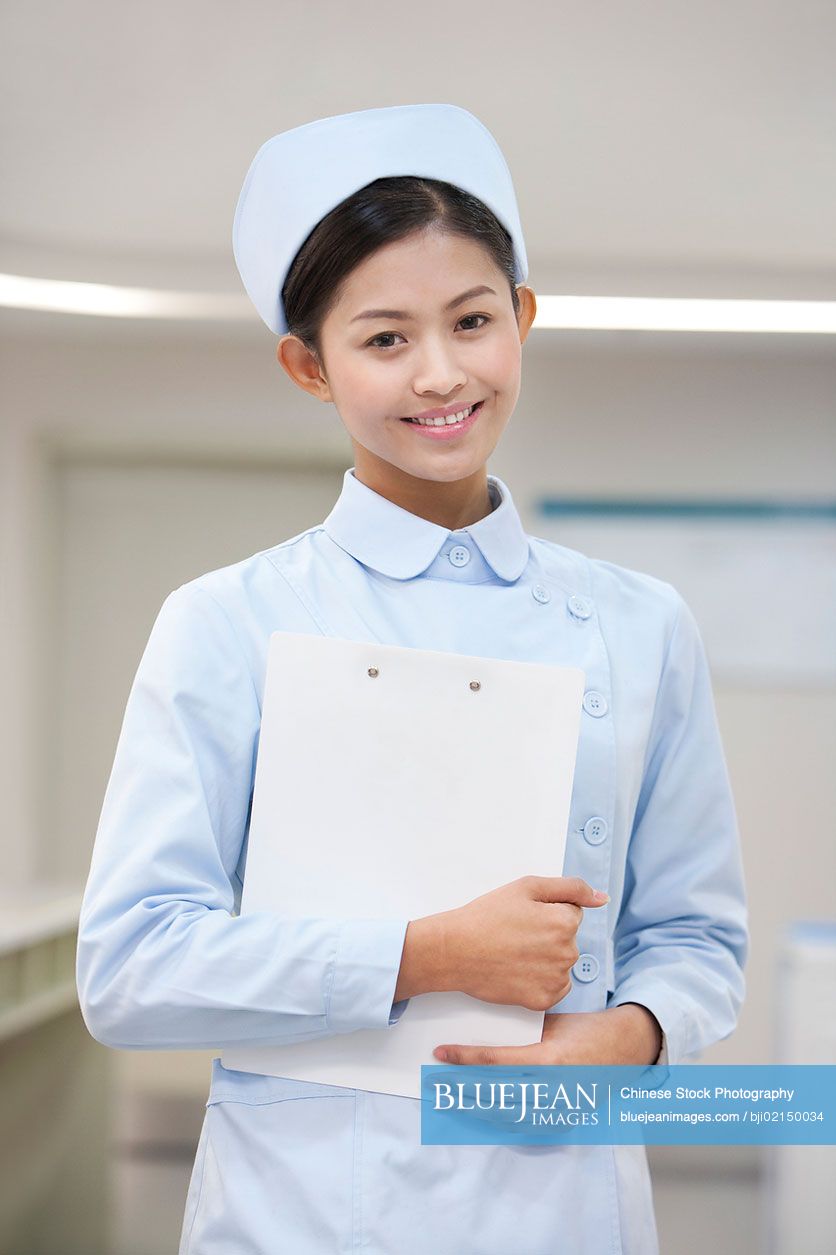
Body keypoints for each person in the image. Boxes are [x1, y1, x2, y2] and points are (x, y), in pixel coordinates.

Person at [75, 103, 749, 1254]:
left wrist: (633, 1032)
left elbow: (697, 938)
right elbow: (132, 968)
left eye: (472, 320)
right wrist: (423, 954)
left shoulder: (640, 625)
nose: (441, 373)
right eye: (384, 338)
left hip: (563, 1205)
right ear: (307, 365)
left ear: (522, 320)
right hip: (301, 1208)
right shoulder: (231, 622)